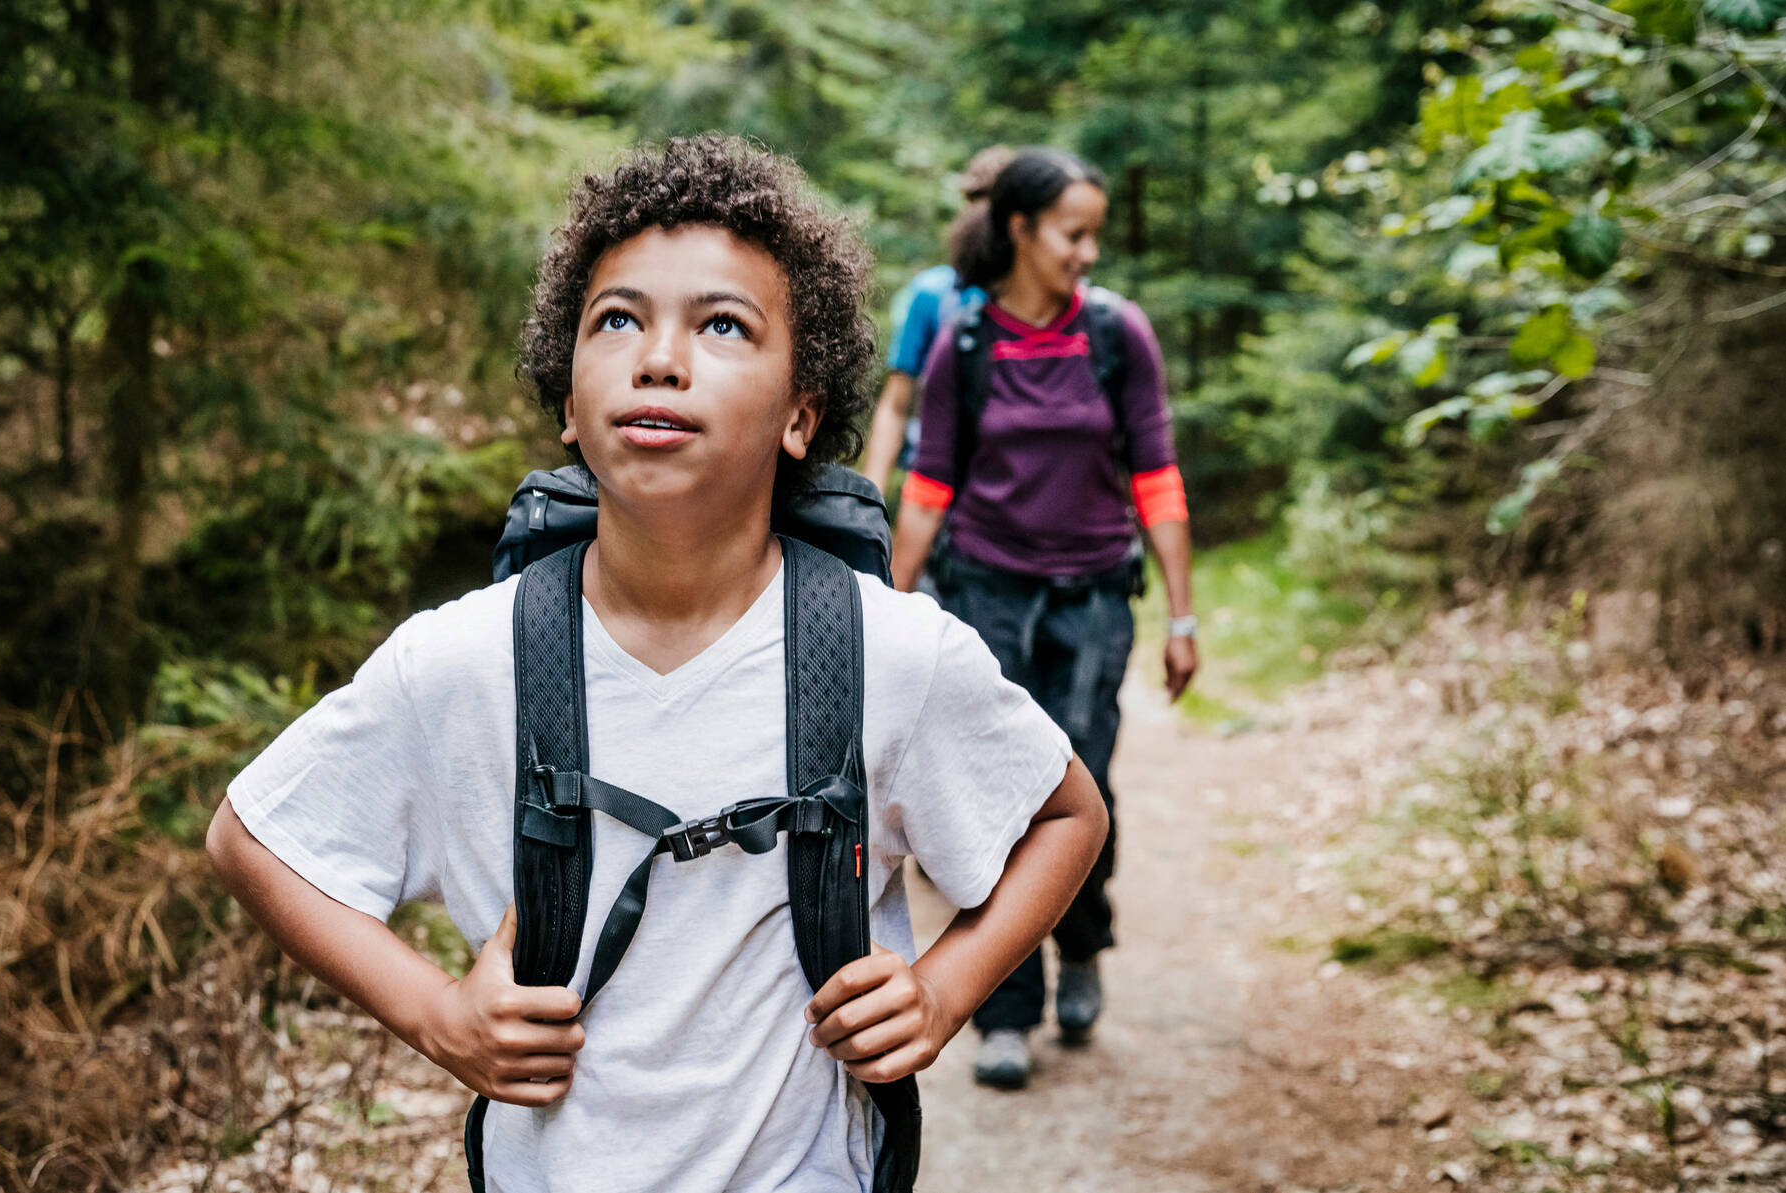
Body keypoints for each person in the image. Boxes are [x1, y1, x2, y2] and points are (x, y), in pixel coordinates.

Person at [205, 135, 1109, 1192]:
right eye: (617, 319)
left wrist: (948, 989)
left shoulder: (892, 654)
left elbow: (1065, 813)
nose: (660, 357)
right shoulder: (464, 659)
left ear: (801, 413)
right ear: (567, 399)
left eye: (723, 325)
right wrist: (435, 1013)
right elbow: (252, 833)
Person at [888, 148, 1199, 1091]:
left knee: (1082, 783)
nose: (1087, 251)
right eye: (1072, 232)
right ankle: (1007, 1011)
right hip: (985, 593)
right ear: (1019, 230)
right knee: (1001, 802)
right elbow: (927, 486)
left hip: (1096, 596)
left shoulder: (1116, 335)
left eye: (1094, 232)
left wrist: (1181, 614)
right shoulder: (965, 344)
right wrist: (888, 607)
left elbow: (1155, 472)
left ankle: (1086, 942)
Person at [859, 146, 1013, 493]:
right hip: (935, 483)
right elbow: (896, 403)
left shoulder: (1039, 299)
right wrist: (869, 498)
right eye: (975, 202)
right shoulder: (932, 294)